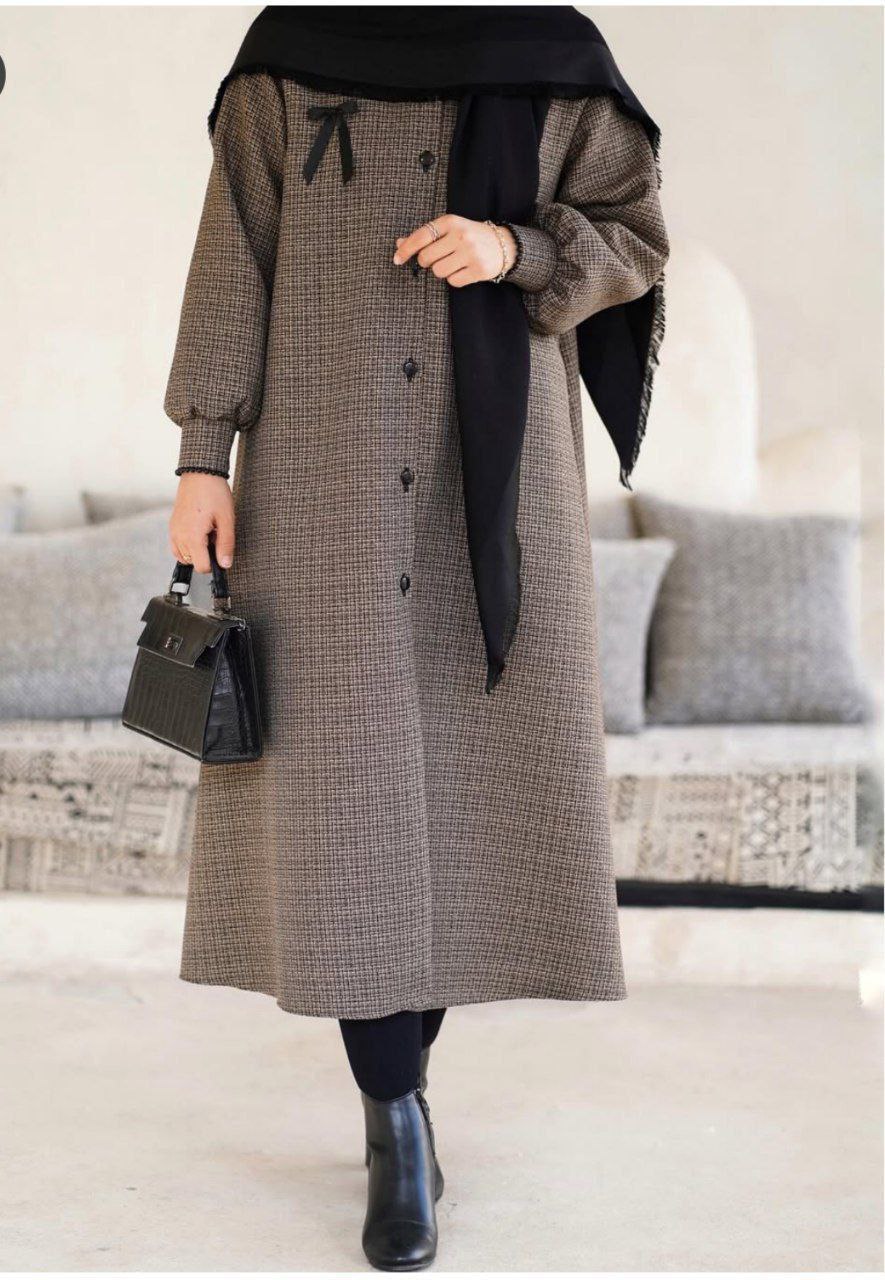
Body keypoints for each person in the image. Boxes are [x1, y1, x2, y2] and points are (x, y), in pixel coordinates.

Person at [164, 6, 668, 1270]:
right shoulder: (288, 56)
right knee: (348, 809)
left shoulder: (556, 59)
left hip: (498, 501)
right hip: (322, 485)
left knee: (458, 803)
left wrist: (515, 247)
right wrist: (201, 455)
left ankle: (401, 1095)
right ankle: (394, 1110)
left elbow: (636, 240)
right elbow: (234, 253)